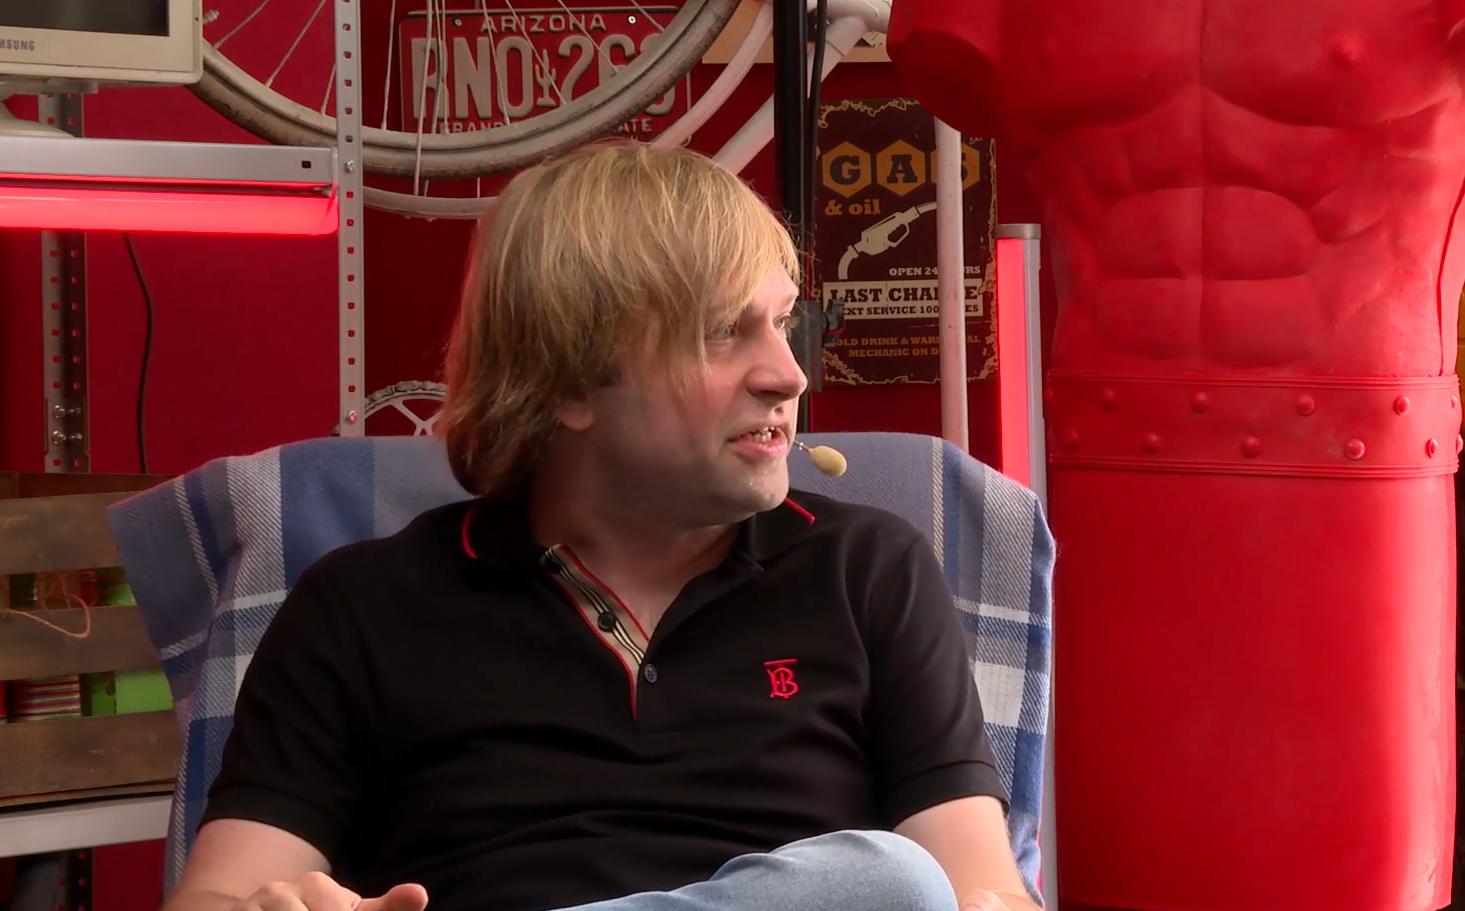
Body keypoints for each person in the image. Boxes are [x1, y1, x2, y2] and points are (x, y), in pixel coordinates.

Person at [159, 141, 1035, 911]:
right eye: (723, 333)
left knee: (888, 882)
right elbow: (218, 896)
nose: (787, 374)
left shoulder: (867, 571)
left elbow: (978, 887)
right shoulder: (362, 606)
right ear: (568, 383)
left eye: (781, 322)